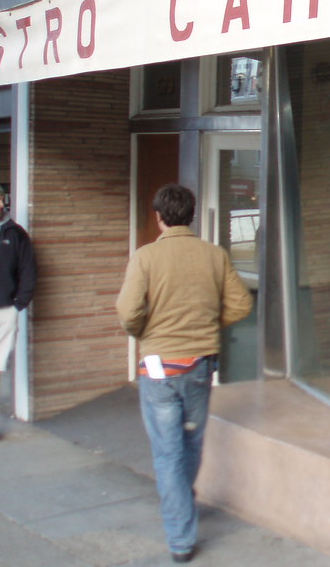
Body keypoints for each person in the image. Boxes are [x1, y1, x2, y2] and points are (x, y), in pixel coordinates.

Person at [116, 183, 252, 563]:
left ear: (159, 217)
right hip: (199, 365)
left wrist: (146, 331)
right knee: (191, 442)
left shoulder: (146, 257)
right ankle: (181, 497)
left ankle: (180, 538)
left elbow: (128, 312)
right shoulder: (213, 255)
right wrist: (208, 325)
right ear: (190, 215)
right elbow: (241, 304)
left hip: (158, 367)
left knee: (167, 452)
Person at [0, 178, 37, 442]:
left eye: (3, 200)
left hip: (3, 311)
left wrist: (18, 304)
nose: (2, 205)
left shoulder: (14, 234)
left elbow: (28, 269)